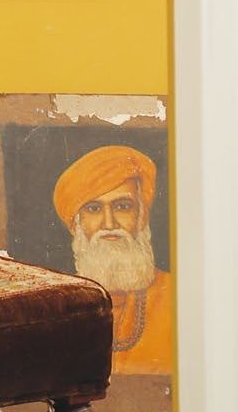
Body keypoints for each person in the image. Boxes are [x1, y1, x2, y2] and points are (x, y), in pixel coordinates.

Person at [53, 145, 173, 374]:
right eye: (94, 208)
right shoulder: (54, 308)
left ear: (142, 215)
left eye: (122, 206)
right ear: (76, 225)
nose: (109, 223)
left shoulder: (178, 298)